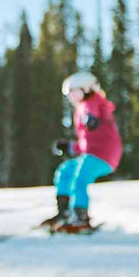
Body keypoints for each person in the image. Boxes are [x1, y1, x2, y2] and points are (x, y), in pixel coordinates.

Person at [46, 72, 121, 233]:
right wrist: (70, 147)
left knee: (80, 178)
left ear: (86, 89)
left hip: (104, 154)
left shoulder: (95, 102)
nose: (71, 97)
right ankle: (64, 212)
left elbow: (99, 112)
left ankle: (80, 216)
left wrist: (92, 118)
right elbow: (85, 142)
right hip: (91, 154)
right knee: (65, 171)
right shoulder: (80, 110)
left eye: (74, 92)